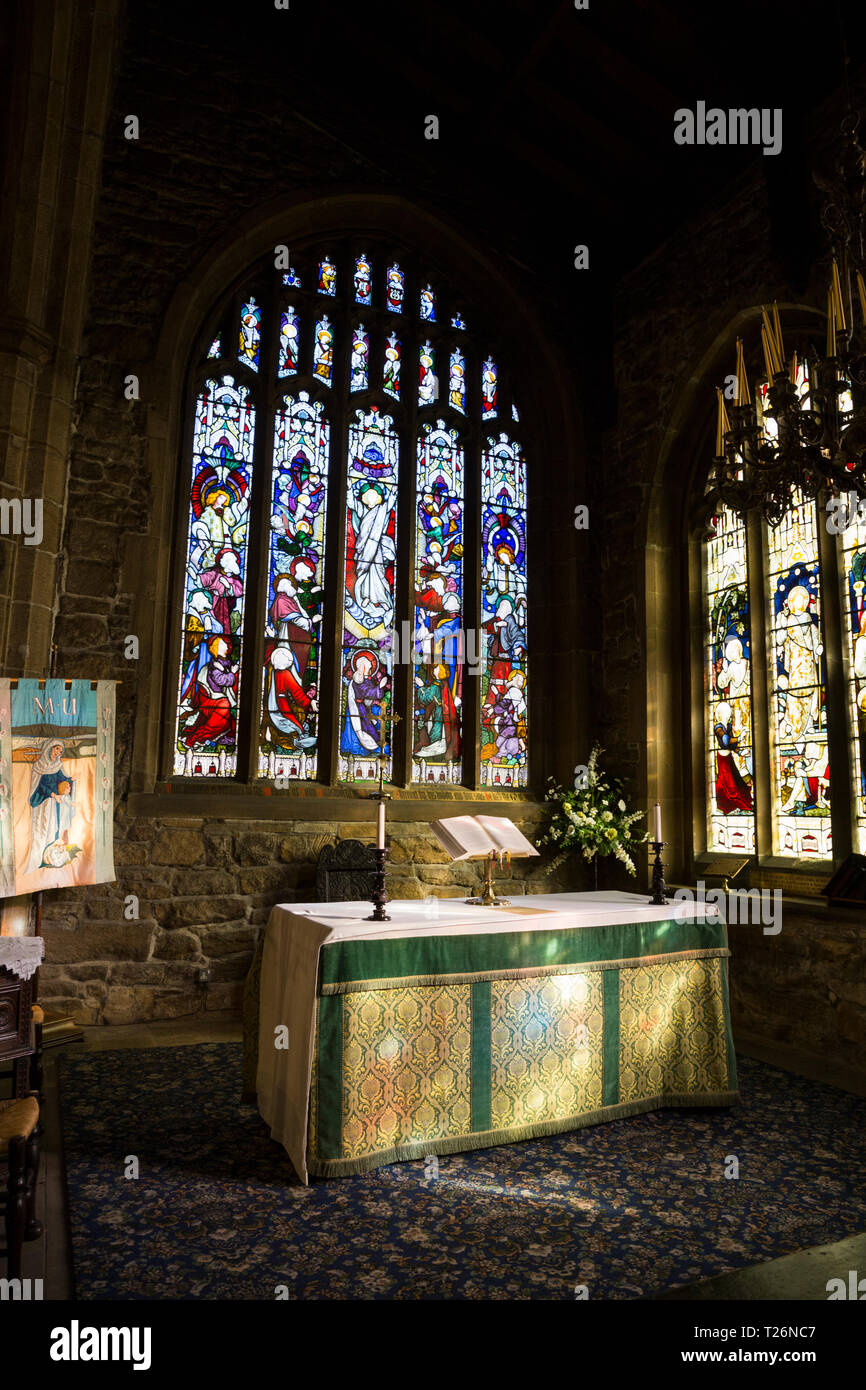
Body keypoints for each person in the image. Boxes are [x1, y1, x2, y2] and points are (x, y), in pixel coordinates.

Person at [25, 738, 76, 873]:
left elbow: (62, 779)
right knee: (43, 826)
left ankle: (50, 856)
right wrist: (52, 794)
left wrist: (70, 780)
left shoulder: (57, 765)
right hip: (44, 802)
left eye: (61, 750)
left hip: (55, 802)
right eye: (57, 749)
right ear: (50, 748)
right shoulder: (39, 766)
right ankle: (39, 856)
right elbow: (39, 787)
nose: (59, 752)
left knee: (54, 826)